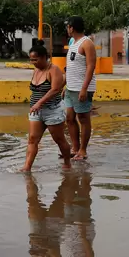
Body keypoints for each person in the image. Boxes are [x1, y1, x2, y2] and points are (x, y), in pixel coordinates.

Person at [23, 42, 72, 172]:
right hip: (36, 112)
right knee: (32, 139)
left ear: (45, 57)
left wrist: (39, 102)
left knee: (59, 140)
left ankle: (67, 162)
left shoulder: (53, 70)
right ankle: (27, 167)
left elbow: (55, 89)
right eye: (31, 59)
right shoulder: (36, 70)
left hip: (52, 110)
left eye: (36, 59)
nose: (33, 62)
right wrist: (36, 104)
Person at [64, 16, 97, 161]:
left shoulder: (87, 43)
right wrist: (66, 85)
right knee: (69, 118)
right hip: (71, 88)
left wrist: (84, 89)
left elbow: (91, 66)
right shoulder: (73, 42)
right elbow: (71, 67)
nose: (67, 29)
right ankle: (75, 148)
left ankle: (83, 150)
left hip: (82, 87)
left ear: (72, 27)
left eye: (68, 26)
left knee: (83, 119)